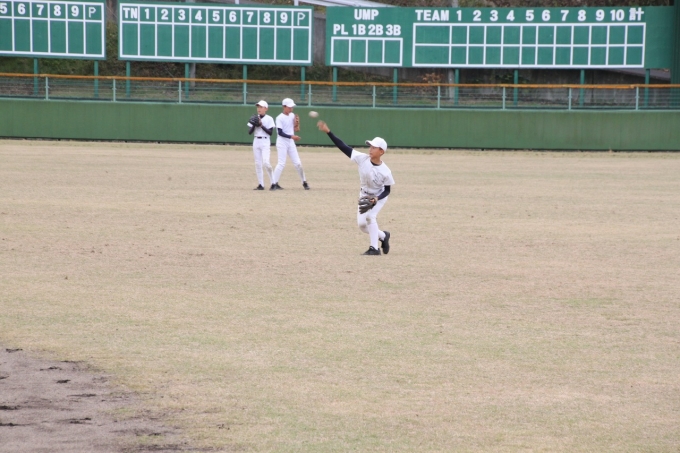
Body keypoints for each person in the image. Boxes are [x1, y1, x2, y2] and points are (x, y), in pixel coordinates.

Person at [317, 120, 394, 256]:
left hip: (379, 196)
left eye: (374, 147)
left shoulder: (385, 171)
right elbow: (343, 146)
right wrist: (328, 132)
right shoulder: (362, 158)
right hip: (364, 195)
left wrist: (376, 198)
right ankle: (383, 236)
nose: (370, 149)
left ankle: (374, 249)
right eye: (370, 146)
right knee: (362, 226)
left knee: (370, 217)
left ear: (381, 151)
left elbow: (387, 190)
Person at [271, 98, 309, 190]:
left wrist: (297, 124)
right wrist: (292, 137)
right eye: (289, 107)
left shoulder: (292, 115)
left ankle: (304, 182)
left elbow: (296, 129)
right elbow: (280, 132)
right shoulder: (279, 118)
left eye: (292, 107)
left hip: (290, 142)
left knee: (298, 163)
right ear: (284, 106)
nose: (291, 109)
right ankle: (274, 183)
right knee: (281, 163)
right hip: (282, 142)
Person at [247, 100, 275, 190]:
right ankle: (261, 184)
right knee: (258, 163)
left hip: (265, 141)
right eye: (258, 107)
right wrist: (254, 124)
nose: (259, 109)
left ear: (266, 109)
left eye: (261, 107)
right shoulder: (255, 118)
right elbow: (249, 132)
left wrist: (261, 125)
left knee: (266, 162)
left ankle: (273, 183)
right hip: (256, 141)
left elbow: (270, 133)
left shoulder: (269, 118)